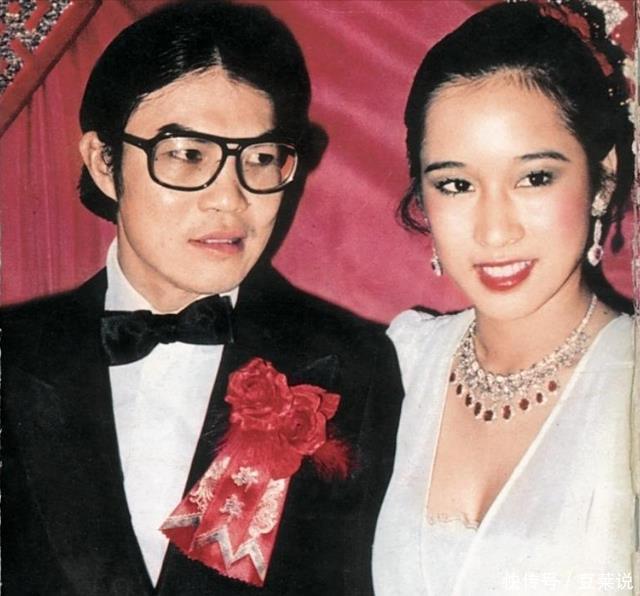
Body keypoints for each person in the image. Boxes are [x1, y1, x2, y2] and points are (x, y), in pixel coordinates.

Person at [1, 2, 403, 594]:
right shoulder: (11, 355)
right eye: (188, 155)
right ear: (105, 163)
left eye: (260, 159)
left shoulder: (353, 367)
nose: (229, 199)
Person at [373, 2, 637, 595]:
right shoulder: (402, 364)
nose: (495, 232)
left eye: (534, 177)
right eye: (456, 184)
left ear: (602, 180)